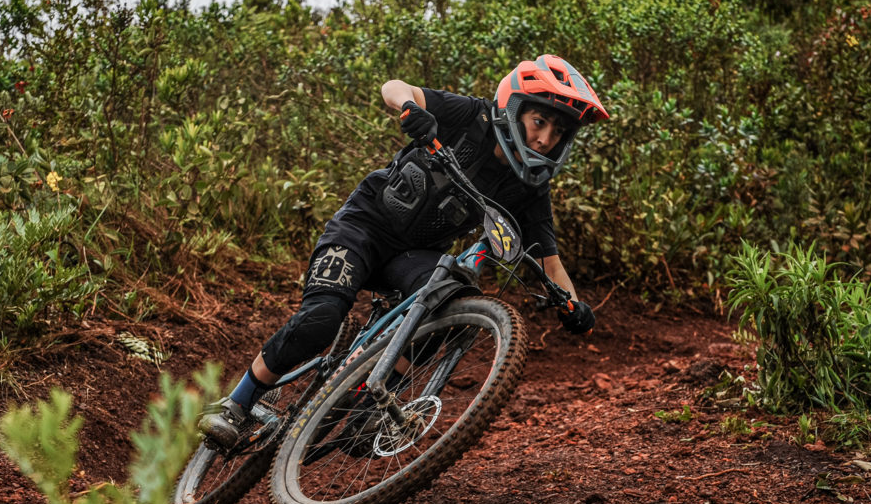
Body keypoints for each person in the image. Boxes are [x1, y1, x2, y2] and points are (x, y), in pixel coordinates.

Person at [199, 54, 609, 448]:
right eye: (539, 122)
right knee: (320, 320)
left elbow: (548, 261)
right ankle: (238, 403)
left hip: (414, 256)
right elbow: (394, 87)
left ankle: (369, 405)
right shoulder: (471, 117)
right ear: (515, 107)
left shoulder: (530, 187)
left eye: (558, 133)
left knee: (451, 305)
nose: (544, 138)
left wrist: (574, 306)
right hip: (362, 228)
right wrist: (412, 108)